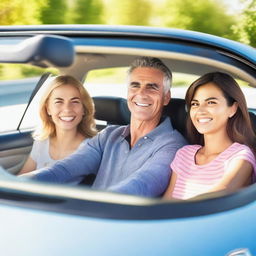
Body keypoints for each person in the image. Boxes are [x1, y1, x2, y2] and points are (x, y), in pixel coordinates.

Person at [21, 57, 187, 197]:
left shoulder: (173, 146)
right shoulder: (108, 136)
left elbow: (142, 184)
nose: (141, 93)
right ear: (128, 92)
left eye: (152, 86)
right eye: (135, 85)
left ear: (166, 97)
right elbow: (64, 169)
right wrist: (17, 184)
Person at [164, 72, 256, 200]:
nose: (200, 111)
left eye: (211, 102)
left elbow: (217, 198)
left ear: (233, 109)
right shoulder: (184, 154)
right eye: (195, 104)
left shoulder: (240, 156)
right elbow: (166, 202)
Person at [19, 75, 97, 174]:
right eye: (59, 102)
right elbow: (21, 179)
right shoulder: (42, 142)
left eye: (75, 101)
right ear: (48, 109)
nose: (67, 109)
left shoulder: (92, 149)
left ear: (84, 109)